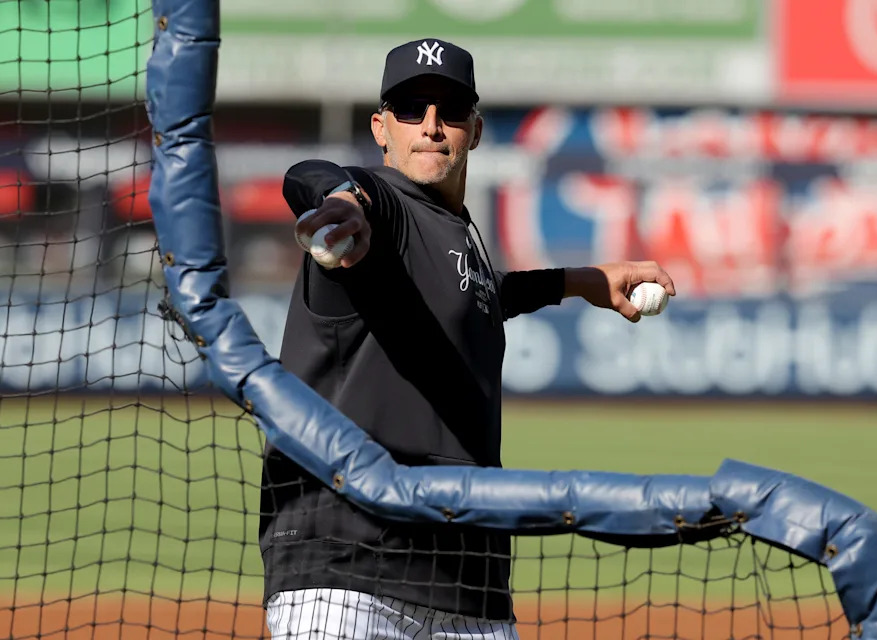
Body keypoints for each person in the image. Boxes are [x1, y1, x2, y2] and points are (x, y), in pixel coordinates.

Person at [261, 38, 676, 639]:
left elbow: (481, 294)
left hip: (467, 582)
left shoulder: (459, 233)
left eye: (450, 112)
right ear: (382, 128)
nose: (431, 127)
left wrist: (582, 281)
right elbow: (311, 177)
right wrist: (342, 203)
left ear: (475, 130)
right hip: (348, 575)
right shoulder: (380, 206)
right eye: (411, 110)